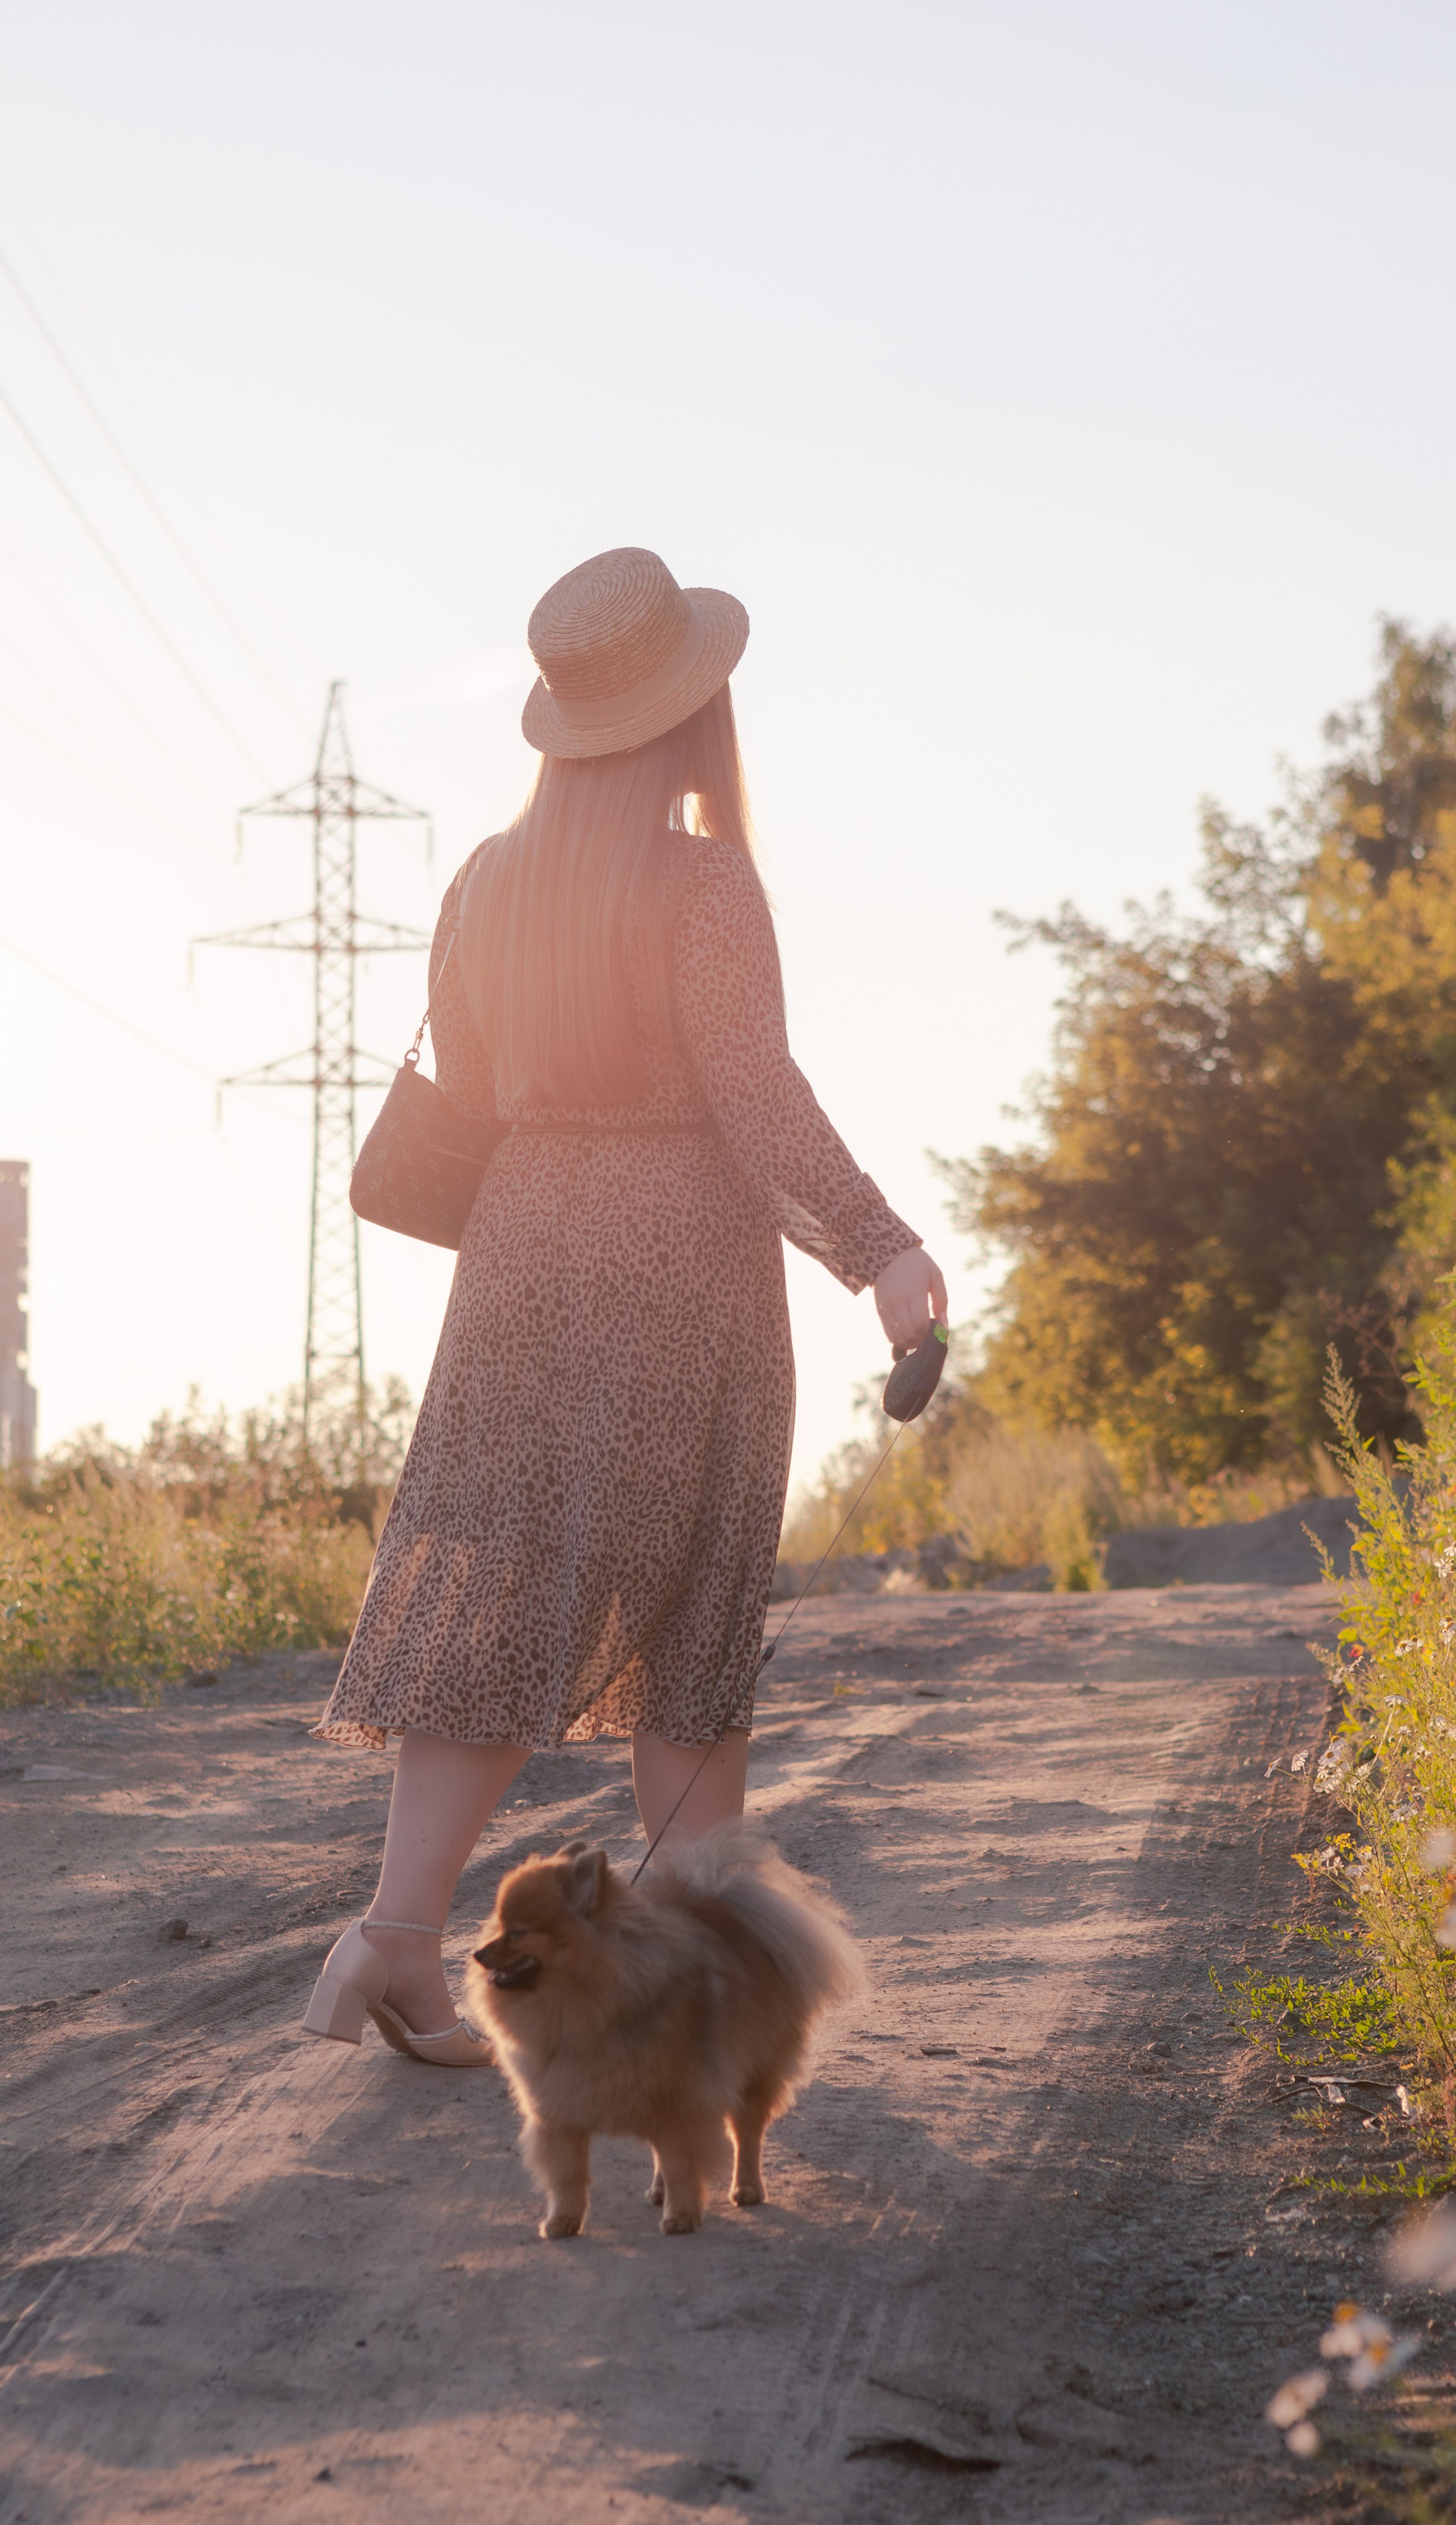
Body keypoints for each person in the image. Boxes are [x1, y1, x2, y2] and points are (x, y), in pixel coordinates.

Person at [301, 546, 947, 2065]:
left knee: (498, 1584)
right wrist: (878, 1247)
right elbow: (752, 1091)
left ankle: (391, 1940)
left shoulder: (486, 879)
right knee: (690, 1604)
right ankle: (696, 1976)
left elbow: (466, 1083)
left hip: (518, 1256)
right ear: (689, 711)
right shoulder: (700, 879)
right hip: (679, 1263)